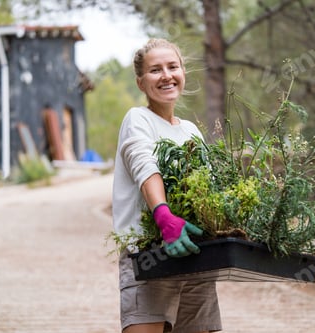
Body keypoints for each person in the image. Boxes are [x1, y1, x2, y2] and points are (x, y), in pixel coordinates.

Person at [112, 38, 223, 333]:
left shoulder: (191, 130)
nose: (166, 76)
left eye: (172, 67)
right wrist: (163, 216)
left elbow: (207, 190)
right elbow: (144, 165)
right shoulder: (138, 119)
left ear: (183, 72)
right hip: (150, 256)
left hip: (195, 255)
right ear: (140, 82)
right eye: (155, 70)